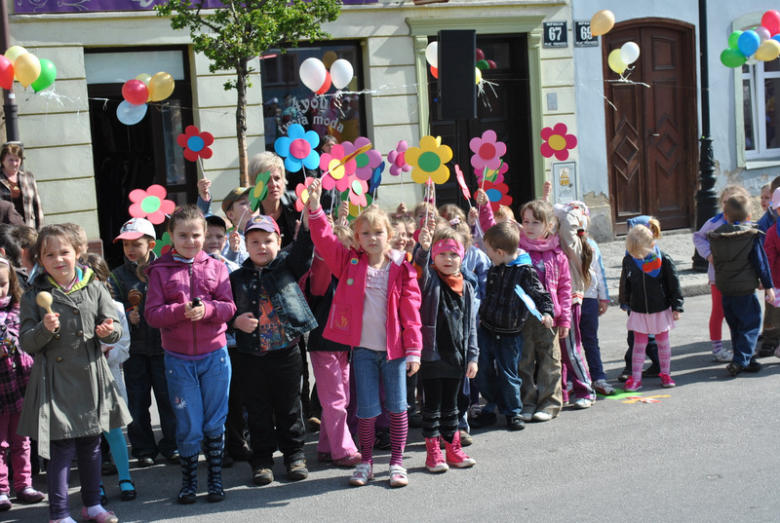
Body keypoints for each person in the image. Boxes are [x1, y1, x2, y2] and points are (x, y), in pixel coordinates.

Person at [307, 179, 423, 488]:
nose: (373, 237)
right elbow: (325, 239)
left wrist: (414, 350)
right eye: (366, 232)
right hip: (362, 352)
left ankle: (397, 463)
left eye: (379, 232)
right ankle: (367, 462)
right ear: (357, 237)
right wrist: (316, 207)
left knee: (398, 409)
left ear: (390, 235)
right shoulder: (348, 263)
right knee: (368, 411)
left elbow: (411, 312)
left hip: (395, 354)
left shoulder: (402, 268)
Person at [18, 223, 130, 523]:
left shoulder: (94, 286)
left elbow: (114, 328)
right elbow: (27, 342)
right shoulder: (33, 296)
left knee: (92, 445)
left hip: (91, 376)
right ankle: (58, 513)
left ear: (78, 253)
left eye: (64, 252)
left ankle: (92, 505)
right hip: (54, 382)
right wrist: (44, 328)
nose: (58, 259)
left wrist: (108, 332)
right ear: (40, 260)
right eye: (49, 254)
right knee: (61, 449)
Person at [144, 205, 236, 504]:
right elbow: (152, 315)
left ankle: (215, 480)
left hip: (215, 356)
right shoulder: (159, 271)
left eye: (196, 235)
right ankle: (189, 482)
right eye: (182, 235)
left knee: (214, 422)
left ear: (205, 235)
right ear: (170, 236)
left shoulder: (218, 266)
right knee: (188, 424)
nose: (190, 241)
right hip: (179, 360)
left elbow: (229, 308)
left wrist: (207, 309)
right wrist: (180, 311)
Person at [229, 214, 316, 485]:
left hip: (286, 351)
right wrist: (234, 321)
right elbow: (226, 308)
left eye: (268, 240)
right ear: (245, 244)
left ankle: (294, 455)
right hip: (251, 355)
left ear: (279, 242)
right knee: (257, 409)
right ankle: (263, 459)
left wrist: (310, 223)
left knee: (289, 406)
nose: (262, 246)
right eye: (254, 241)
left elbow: (304, 252)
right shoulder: (236, 278)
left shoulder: (287, 267)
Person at [478, 195, 572, 419]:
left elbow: (565, 289)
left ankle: (549, 404)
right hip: (520, 318)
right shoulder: (517, 248)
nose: (529, 226)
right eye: (526, 221)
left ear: (549, 225)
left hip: (548, 319)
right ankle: (527, 403)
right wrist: (484, 207)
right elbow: (492, 232)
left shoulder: (558, 255)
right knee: (524, 362)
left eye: (535, 222)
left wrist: (565, 318)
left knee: (550, 362)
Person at [470, 221, 554, 431]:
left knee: (509, 375)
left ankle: (512, 412)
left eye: (488, 250)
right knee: (483, 371)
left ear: (499, 252)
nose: (486, 253)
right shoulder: (495, 267)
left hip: (509, 335)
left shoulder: (525, 271)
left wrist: (547, 312)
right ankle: (492, 403)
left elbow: (541, 295)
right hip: (487, 330)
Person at [109, 218, 179, 468]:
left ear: (150, 244)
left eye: (136, 244)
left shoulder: (163, 270)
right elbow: (111, 309)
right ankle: (143, 449)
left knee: (168, 399)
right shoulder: (116, 276)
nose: (130, 249)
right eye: (126, 244)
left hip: (163, 347)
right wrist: (126, 316)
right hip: (134, 351)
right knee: (138, 402)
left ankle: (172, 445)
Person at [414, 224, 478, 472]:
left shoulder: (468, 287)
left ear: (462, 256)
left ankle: (453, 448)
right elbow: (419, 271)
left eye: (453, 254)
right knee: (432, 407)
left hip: (457, 358)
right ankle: (433, 453)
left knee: (452, 406)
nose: (448, 259)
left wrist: (472, 357)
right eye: (442, 254)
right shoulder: (430, 280)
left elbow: (471, 326)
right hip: (431, 356)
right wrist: (423, 249)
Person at [300, 222, 362, 468]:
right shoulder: (322, 273)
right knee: (335, 399)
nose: (343, 254)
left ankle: (326, 447)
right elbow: (323, 262)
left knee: (341, 399)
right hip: (323, 343)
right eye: (339, 249)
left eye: (346, 249)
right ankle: (342, 449)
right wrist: (326, 238)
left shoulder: (349, 275)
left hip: (343, 346)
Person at [87, 253, 136, 502]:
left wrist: (107, 350)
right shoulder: (76, 311)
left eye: (94, 279)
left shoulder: (116, 309)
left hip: (109, 381)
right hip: (83, 383)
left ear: (104, 279)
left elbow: (124, 348)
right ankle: (95, 485)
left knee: (114, 432)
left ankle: (125, 478)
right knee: (90, 437)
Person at [709, 194, 773, 376]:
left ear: (726, 216)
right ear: (749, 216)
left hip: (726, 289)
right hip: (745, 290)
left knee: (736, 326)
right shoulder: (750, 237)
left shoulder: (717, 236)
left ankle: (746, 359)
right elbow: (761, 263)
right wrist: (768, 286)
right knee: (751, 325)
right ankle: (739, 361)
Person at [0, 255, 44, 511]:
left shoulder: (18, 308)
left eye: (3, 284)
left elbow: (28, 340)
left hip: (20, 385)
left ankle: (24, 484)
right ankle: (2, 489)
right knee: (0, 443)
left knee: (21, 440)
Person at [204, 215, 248, 465]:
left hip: (234, 344)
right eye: (208, 236)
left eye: (218, 237)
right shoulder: (195, 268)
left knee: (236, 398)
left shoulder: (232, 268)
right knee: (214, 399)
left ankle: (237, 443)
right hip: (210, 344)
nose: (213, 241)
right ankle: (215, 448)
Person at [619, 224, 684, 391]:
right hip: (639, 310)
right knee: (639, 345)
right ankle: (636, 378)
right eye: (632, 252)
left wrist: (677, 306)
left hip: (660, 308)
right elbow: (626, 282)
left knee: (663, 343)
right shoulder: (629, 260)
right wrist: (626, 301)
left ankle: (665, 373)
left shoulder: (664, 260)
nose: (635, 256)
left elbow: (674, 284)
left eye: (638, 252)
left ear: (651, 246)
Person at [693, 185, 751, 363]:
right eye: (726, 202)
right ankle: (717, 348)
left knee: (740, 312)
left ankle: (739, 347)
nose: (729, 206)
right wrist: (709, 254)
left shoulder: (746, 223)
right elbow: (698, 237)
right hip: (718, 276)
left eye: (733, 202)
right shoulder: (713, 222)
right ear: (721, 203)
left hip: (741, 277)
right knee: (719, 311)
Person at [582, 235, 613, 395]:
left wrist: (604, 297)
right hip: (569, 299)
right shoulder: (560, 241)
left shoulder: (591, 244)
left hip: (589, 298)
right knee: (568, 344)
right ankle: (571, 380)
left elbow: (599, 271)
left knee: (591, 340)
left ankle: (598, 377)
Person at [757, 178, 780, 357]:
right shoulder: (771, 228)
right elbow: (767, 256)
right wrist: (766, 280)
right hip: (775, 277)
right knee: (772, 310)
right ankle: (770, 340)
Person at [0, 142, 44, 230]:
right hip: (6, 231)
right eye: (11, 160)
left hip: (28, 228)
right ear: (2, 160)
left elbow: (37, 205)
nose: (14, 163)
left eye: (17, 160)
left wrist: (40, 230)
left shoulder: (28, 177)